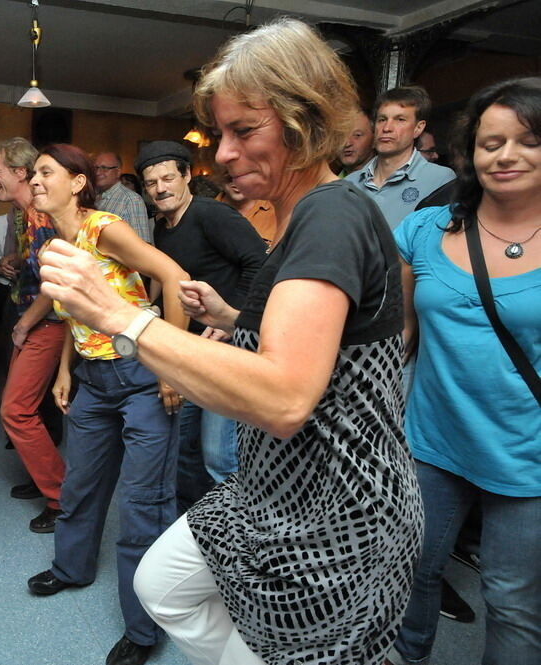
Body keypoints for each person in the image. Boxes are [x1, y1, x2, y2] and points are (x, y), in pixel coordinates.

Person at [38, 19, 423, 665]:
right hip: (271, 486)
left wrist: (120, 316)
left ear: (303, 121)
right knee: (162, 583)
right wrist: (233, 315)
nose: (221, 153)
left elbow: (283, 396)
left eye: (243, 131)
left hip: (335, 508)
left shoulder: (331, 214)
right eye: (221, 133)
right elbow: (306, 339)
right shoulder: (302, 216)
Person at [388, 76, 541, 665]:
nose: (504, 155)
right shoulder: (429, 229)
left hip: (527, 460)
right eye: (490, 142)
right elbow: (396, 333)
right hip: (434, 442)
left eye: (527, 140)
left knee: (514, 604)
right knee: (409, 573)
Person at [26, 143, 189, 665]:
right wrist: (65, 371)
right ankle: (72, 569)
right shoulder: (52, 239)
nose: (34, 180)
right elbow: (72, 313)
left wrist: (170, 365)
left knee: (143, 507)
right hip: (93, 381)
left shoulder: (105, 228)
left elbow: (173, 276)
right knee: (80, 484)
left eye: (44, 172)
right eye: (31, 173)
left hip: (142, 375)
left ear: (77, 183)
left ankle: (143, 631)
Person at [136, 140, 266, 512]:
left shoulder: (212, 215)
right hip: (189, 349)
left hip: (224, 349)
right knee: (182, 447)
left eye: (167, 179)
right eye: (151, 183)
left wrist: (231, 318)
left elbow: (260, 264)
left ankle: (239, 539)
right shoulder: (163, 227)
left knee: (219, 456)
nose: (161, 188)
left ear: (187, 176)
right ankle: (194, 528)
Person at [0, 137, 67, 531]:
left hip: (47, 324)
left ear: (20, 173)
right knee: (24, 407)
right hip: (32, 318)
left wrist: (23, 323)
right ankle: (47, 481)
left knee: (16, 411)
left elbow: (56, 285)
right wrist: (16, 260)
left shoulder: (40, 216)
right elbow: (38, 262)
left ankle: (60, 497)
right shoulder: (23, 217)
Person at [346, 85, 455, 228]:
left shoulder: (440, 180)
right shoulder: (350, 183)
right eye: (382, 119)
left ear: (418, 128)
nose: (387, 128)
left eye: (400, 119)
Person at [94, 152, 153, 243]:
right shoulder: (93, 197)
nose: (98, 172)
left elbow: (142, 243)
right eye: (96, 168)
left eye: (104, 168)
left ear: (118, 172)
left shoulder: (131, 200)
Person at [339, 107, 375, 176]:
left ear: (374, 140)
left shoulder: (386, 181)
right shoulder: (330, 183)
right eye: (341, 136)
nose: (347, 143)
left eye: (357, 135)